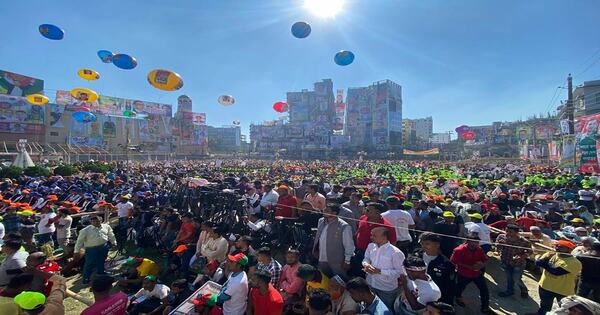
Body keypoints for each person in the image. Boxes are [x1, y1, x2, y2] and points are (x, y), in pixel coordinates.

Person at [532, 240, 582, 315]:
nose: (557, 248)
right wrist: (546, 258)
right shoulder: (550, 254)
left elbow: (556, 272)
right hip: (545, 286)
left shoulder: (575, 262)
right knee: (544, 306)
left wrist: (545, 260)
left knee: (564, 309)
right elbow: (538, 263)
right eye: (556, 246)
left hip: (563, 291)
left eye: (561, 247)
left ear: (569, 250)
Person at [362, 227, 405, 311]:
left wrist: (380, 271)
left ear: (384, 237)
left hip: (386, 289)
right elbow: (366, 258)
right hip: (371, 284)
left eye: (374, 235)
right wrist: (366, 264)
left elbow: (400, 272)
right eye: (371, 235)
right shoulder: (371, 246)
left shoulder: (396, 252)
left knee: (385, 310)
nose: (371, 237)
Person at [450, 234, 494, 314]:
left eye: (477, 242)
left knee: (484, 290)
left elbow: (485, 259)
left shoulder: (479, 249)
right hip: (463, 274)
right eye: (473, 242)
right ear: (467, 241)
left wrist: (481, 265)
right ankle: (457, 298)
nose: (475, 244)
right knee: (459, 288)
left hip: (477, 274)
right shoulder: (458, 250)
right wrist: (469, 267)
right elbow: (453, 261)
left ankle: (485, 307)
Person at [313, 203, 354, 279]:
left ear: (334, 213)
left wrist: (347, 261)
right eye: (324, 209)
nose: (324, 211)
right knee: (323, 278)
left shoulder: (344, 226)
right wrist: (316, 249)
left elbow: (349, 245)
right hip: (322, 257)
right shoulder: (321, 221)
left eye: (327, 210)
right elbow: (318, 237)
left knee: (340, 279)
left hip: (337, 260)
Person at [74, 215, 117, 284]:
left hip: (104, 247)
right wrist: (76, 251)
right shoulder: (85, 230)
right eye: (93, 221)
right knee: (89, 264)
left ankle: (101, 272)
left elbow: (111, 234)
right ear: (91, 222)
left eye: (97, 221)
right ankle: (86, 278)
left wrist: (114, 242)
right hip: (91, 249)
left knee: (101, 260)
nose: (95, 222)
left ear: (101, 221)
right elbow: (79, 241)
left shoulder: (106, 226)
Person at [418, 232, 456, 305]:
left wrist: (447, 304)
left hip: (434, 298)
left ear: (437, 245)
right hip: (417, 292)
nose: (423, 246)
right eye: (421, 243)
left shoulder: (447, 264)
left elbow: (449, 287)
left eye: (427, 244)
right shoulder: (417, 255)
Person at [495, 224, 532, 298]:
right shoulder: (501, 237)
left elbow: (530, 252)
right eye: (506, 231)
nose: (507, 233)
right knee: (509, 278)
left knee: (516, 278)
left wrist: (522, 256)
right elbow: (497, 246)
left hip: (518, 264)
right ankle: (510, 291)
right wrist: (499, 245)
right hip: (506, 261)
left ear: (516, 232)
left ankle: (523, 289)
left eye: (510, 232)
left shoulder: (524, 241)